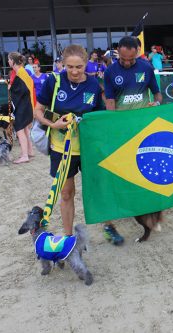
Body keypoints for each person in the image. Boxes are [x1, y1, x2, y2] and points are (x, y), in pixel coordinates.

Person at [33, 45, 103, 236]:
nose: (74, 71)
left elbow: (100, 117)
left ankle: (108, 226)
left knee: (98, 190)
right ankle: (68, 237)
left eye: (79, 67)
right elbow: (37, 110)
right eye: (69, 67)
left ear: (86, 64)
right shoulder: (53, 81)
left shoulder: (94, 85)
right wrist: (53, 125)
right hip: (61, 148)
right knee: (66, 193)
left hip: (88, 148)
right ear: (63, 64)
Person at [103, 36, 162, 245]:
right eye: (124, 59)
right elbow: (109, 102)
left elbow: (157, 94)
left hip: (145, 129)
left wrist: (155, 104)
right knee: (125, 169)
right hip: (123, 130)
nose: (127, 63)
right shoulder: (110, 72)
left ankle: (151, 209)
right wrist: (113, 126)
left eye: (131, 59)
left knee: (146, 168)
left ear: (137, 52)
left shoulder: (146, 68)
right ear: (118, 51)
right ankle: (129, 206)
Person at [8, 52, 35, 164]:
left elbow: (22, 90)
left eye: (9, 60)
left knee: (19, 129)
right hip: (27, 105)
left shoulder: (20, 72)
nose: (8, 62)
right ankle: (30, 151)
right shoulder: (21, 71)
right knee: (25, 129)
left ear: (13, 61)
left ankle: (24, 155)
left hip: (24, 105)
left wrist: (10, 88)